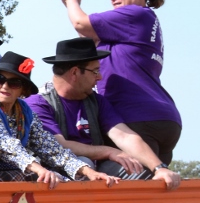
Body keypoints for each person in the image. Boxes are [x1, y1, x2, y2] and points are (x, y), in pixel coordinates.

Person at [50, 0, 181, 163]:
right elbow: (88, 40)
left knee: (122, 185)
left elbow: (80, 23)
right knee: (153, 188)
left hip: (135, 118)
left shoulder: (134, 14)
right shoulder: (135, 24)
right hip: (162, 117)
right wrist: (69, 4)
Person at [26, 38, 181, 190]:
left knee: (139, 166)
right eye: (95, 71)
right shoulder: (38, 103)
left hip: (98, 173)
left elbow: (124, 136)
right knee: (82, 160)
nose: (99, 77)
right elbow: (59, 145)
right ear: (74, 72)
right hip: (52, 178)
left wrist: (158, 168)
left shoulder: (97, 102)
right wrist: (108, 151)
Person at [0, 51, 118, 188]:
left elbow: (51, 149)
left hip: (14, 170)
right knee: (50, 181)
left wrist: (88, 172)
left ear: (23, 89)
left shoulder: (25, 114)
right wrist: (40, 170)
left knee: (66, 182)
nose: (5, 86)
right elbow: (7, 146)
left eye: (14, 83)